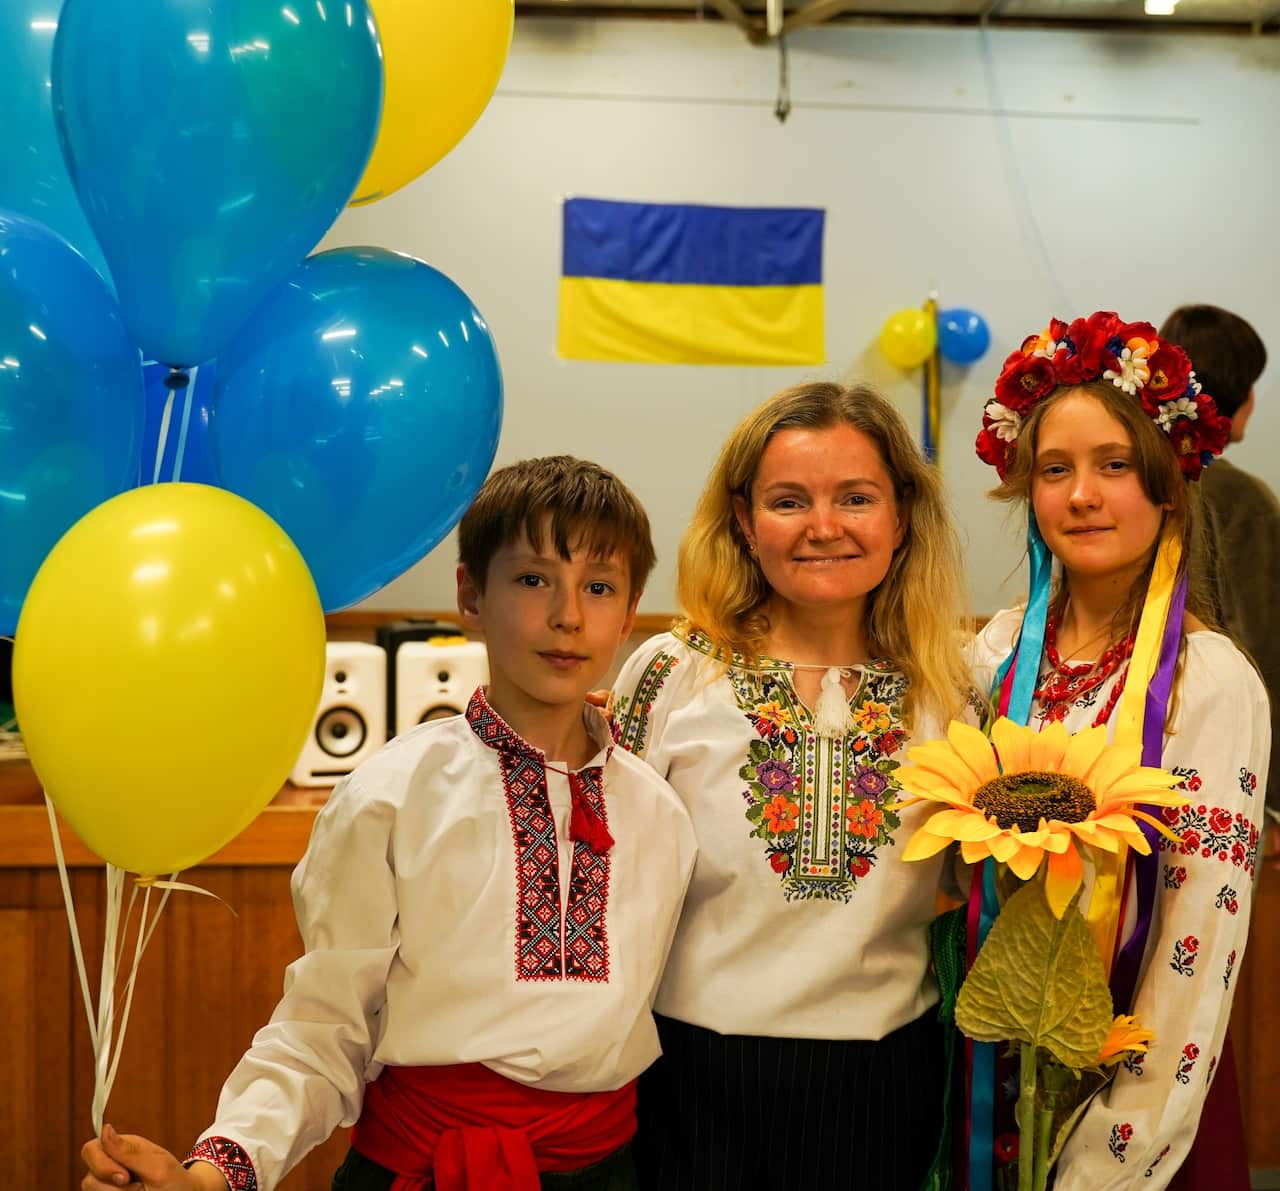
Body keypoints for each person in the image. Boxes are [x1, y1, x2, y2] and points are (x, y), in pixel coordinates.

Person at [81, 456, 698, 1191]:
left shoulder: (659, 814)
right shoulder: (389, 795)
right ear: (471, 594)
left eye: (599, 587)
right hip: (423, 1168)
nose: (568, 615)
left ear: (629, 615)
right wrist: (214, 1173)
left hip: (606, 1171)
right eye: (533, 579)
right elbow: (322, 1027)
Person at [608, 381, 975, 1190]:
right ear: (743, 520)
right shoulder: (672, 674)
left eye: (856, 497)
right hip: (690, 1077)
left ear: (901, 515)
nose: (824, 527)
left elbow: (977, 875)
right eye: (788, 500)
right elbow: (609, 878)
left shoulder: (953, 688)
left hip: (886, 1079)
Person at [971, 311, 1269, 1189]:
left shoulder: (1209, 683)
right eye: (1055, 470)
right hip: (992, 1074)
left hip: (1137, 1088)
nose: (1081, 495)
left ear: (1169, 485)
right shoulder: (992, 655)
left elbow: (1200, 935)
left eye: (1114, 466)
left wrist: (1117, 1148)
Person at [1159, 304, 1279, 817]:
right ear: (1243, 394)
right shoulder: (1243, 499)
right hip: (1215, 747)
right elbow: (1262, 644)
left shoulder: (1140, 480)